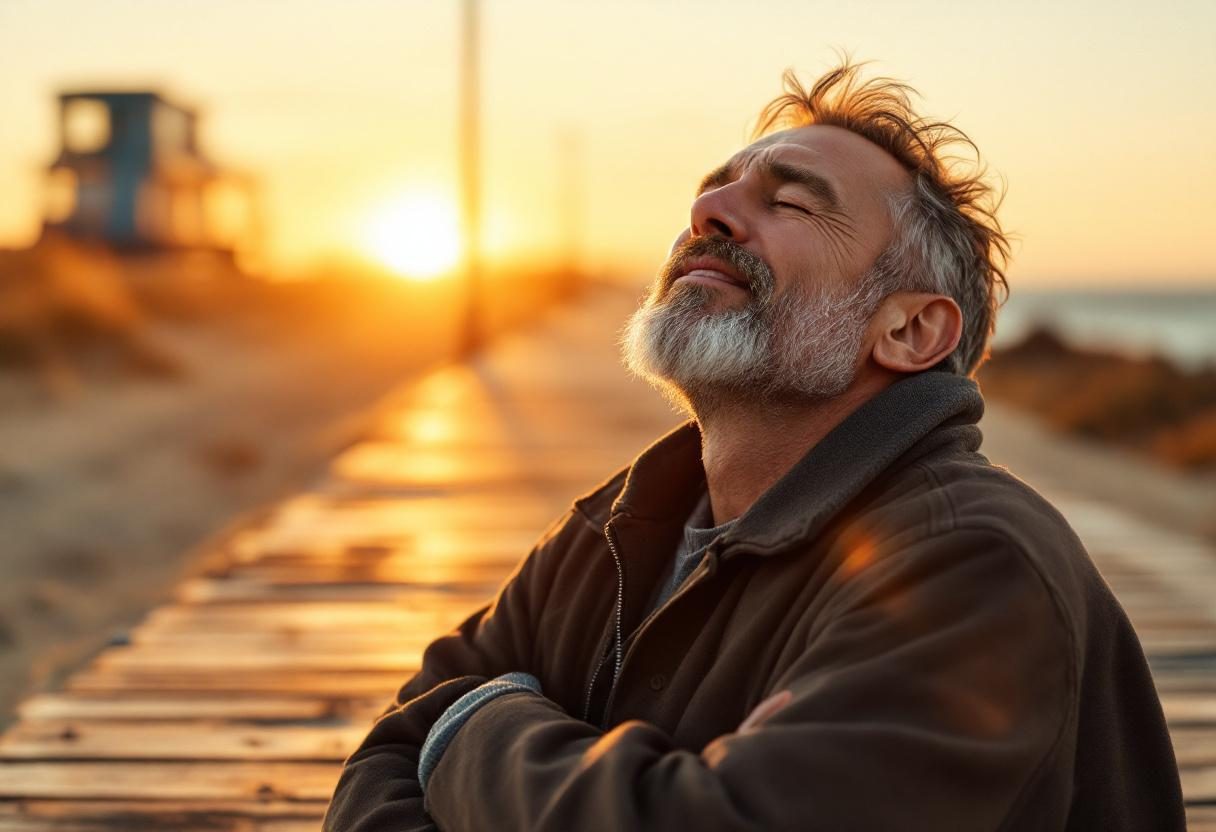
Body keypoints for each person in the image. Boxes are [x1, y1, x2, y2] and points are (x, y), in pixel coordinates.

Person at [323, 60, 1185, 831]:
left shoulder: (973, 566)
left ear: (912, 330)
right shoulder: (616, 530)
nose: (708, 213)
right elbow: (384, 755)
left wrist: (479, 726)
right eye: (712, 194)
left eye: (790, 202)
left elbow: (440, 729)